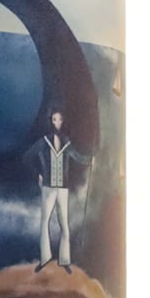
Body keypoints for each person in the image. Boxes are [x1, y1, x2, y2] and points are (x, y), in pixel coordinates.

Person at [30, 108, 89, 272]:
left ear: (63, 122)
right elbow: (27, 157)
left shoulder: (66, 142)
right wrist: (38, 174)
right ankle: (44, 258)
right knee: (45, 223)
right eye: (54, 119)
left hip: (63, 188)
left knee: (64, 224)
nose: (57, 123)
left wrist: (90, 158)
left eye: (60, 120)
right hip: (48, 188)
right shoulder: (44, 141)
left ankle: (65, 260)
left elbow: (78, 157)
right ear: (50, 121)